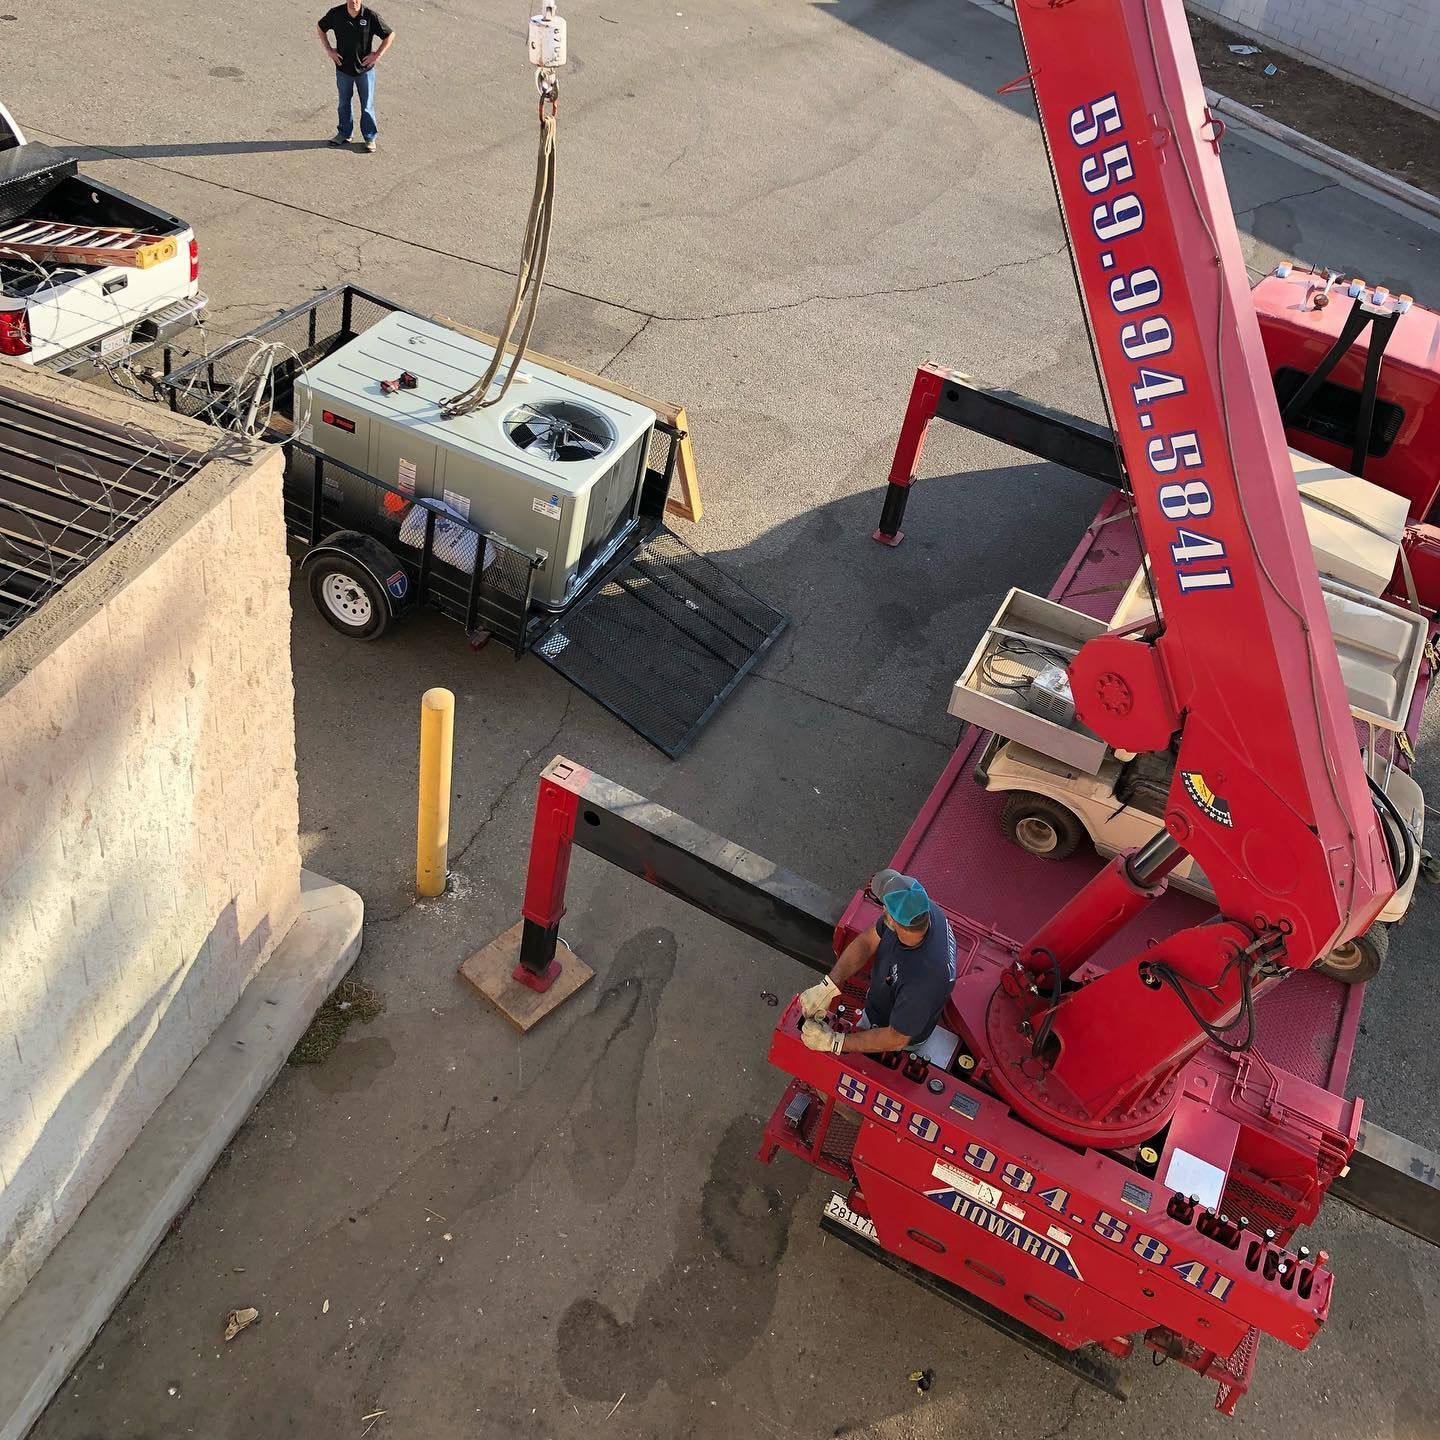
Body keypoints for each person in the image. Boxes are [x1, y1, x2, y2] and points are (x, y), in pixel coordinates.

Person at [797, 869, 956, 1056]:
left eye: (885, 908)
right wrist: (828, 986)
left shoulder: (923, 981)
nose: (882, 911)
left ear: (892, 919)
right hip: (884, 1002)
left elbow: (896, 1038)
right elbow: (868, 941)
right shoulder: (920, 911)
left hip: (895, 1039)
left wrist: (835, 1042)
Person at [317, 1, 394, 153]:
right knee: (343, 103)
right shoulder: (336, 14)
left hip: (365, 71)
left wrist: (377, 55)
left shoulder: (370, 16)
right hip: (343, 69)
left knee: (367, 106)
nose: (354, 2)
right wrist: (329, 50)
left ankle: (370, 138)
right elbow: (321, 27)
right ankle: (344, 134)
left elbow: (389, 34)